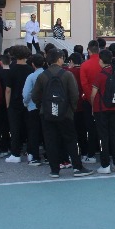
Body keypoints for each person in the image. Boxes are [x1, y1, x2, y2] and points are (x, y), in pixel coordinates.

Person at [31, 49, 94, 178]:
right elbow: (74, 95)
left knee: (51, 141)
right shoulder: (67, 75)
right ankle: (77, 167)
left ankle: (54, 169)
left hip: (47, 113)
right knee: (71, 140)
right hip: (65, 113)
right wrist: (71, 109)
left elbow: (35, 95)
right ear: (59, 59)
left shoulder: (42, 76)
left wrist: (42, 106)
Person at [91, 49, 115, 174]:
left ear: (101, 60)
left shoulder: (100, 75)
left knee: (103, 137)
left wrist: (92, 107)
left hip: (101, 109)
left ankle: (105, 164)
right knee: (114, 135)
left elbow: (93, 94)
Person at [4, 45, 34, 164]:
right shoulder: (30, 69)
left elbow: (8, 89)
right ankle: (31, 153)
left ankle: (15, 153)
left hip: (14, 102)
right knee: (30, 128)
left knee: (15, 129)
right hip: (28, 102)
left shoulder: (11, 70)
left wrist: (7, 104)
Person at [21, 54, 46, 166]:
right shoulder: (47, 74)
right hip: (46, 106)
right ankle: (48, 155)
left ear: (32, 64)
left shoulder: (31, 76)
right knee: (46, 132)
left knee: (33, 132)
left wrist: (26, 103)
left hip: (33, 106)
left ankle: (35, 156)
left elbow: (26, 93)